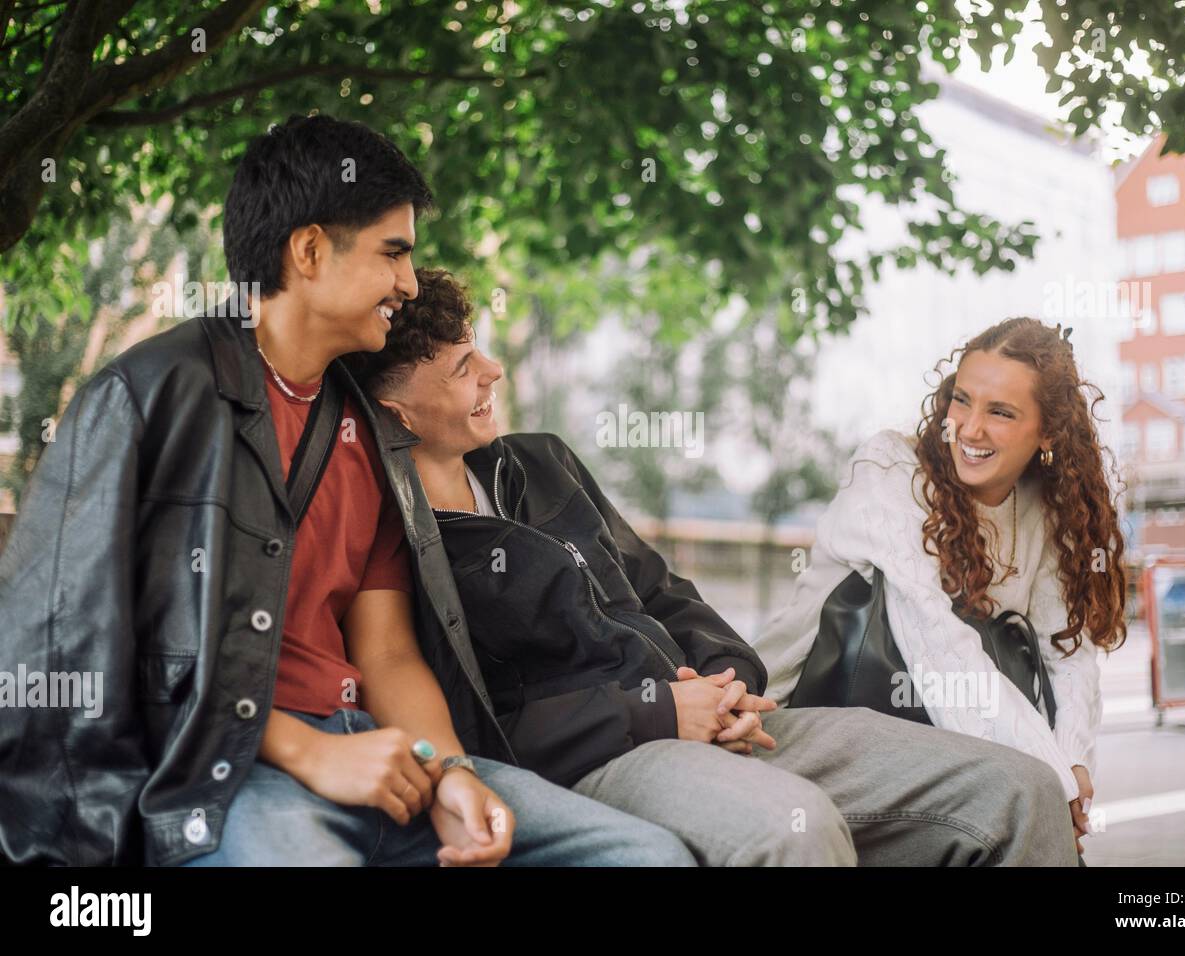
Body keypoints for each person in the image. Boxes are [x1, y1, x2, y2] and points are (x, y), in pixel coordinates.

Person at [0, 114, 693, 868]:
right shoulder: (148, 397)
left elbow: (389, 653)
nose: (408, 281)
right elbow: (73, 646)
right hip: (221, 776)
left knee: (644, 855)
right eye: (393, 253)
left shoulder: (372, 433)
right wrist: (305, 750)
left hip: (381, 761)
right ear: (309, 250)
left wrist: (452, 772)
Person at [345, 270, 1083, 866]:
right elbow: (480, 724)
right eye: (461, 367)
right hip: (613, 755)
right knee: (795, 831)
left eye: (481, 348)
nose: (493, 370)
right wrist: (660, 711)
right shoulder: (400, 537)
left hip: (729, 719)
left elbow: (663, 592)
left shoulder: (538, 461)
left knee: (1016, 789)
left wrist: (730, 680)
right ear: (398, 410)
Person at [755, 317, 1128, 859]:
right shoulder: (890, 470)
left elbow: (1067, 652)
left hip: (947, 736)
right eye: (962, 400)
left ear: (1049, 432)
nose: (970, 429)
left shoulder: (1045, 510)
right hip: (808, 720)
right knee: (1028, 807)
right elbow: (937, 648)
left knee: (1034, 809)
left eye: (1000, 412)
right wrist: (1052, 784)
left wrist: (1071, 763)